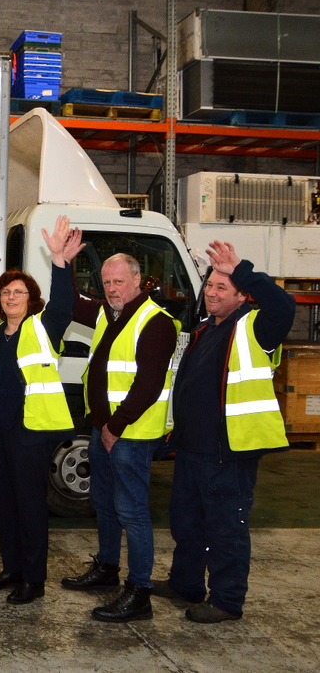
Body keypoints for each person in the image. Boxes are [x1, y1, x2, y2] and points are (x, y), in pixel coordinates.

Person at [159, 241, 294, 623]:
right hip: (191, 448)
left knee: (225, 529)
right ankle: (185, 583)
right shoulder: (204, 329)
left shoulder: (256, 327)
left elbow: (284, 307)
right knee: (186, 523)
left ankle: (226, 600)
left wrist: (243, 270)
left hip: (229, 451)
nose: (212, 292)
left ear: (241, 294)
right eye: (210, 285)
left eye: (223, 287)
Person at [61, 252, 180, 622]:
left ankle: (139, 591)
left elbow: (148, 385)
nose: (112, 289)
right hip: (104, 429)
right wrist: (62, 262)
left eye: (119, 282)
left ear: (137, 280)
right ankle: (107, 568)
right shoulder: (106, 313)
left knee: (132, 511)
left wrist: (115, 426)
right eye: (107, 282)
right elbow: (69, 302)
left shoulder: (156, 322)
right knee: (104, 503)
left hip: (130, 433)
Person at [0, 215, 81, 605]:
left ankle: (33, 579)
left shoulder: (41, 328)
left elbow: (64, 306)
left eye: (18, 292)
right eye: (5, 292)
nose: (11, 297)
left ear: (30, 298)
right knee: (5, 506)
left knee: (30, 507)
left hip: (29, 436)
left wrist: (59, 261)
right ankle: (12, 569)